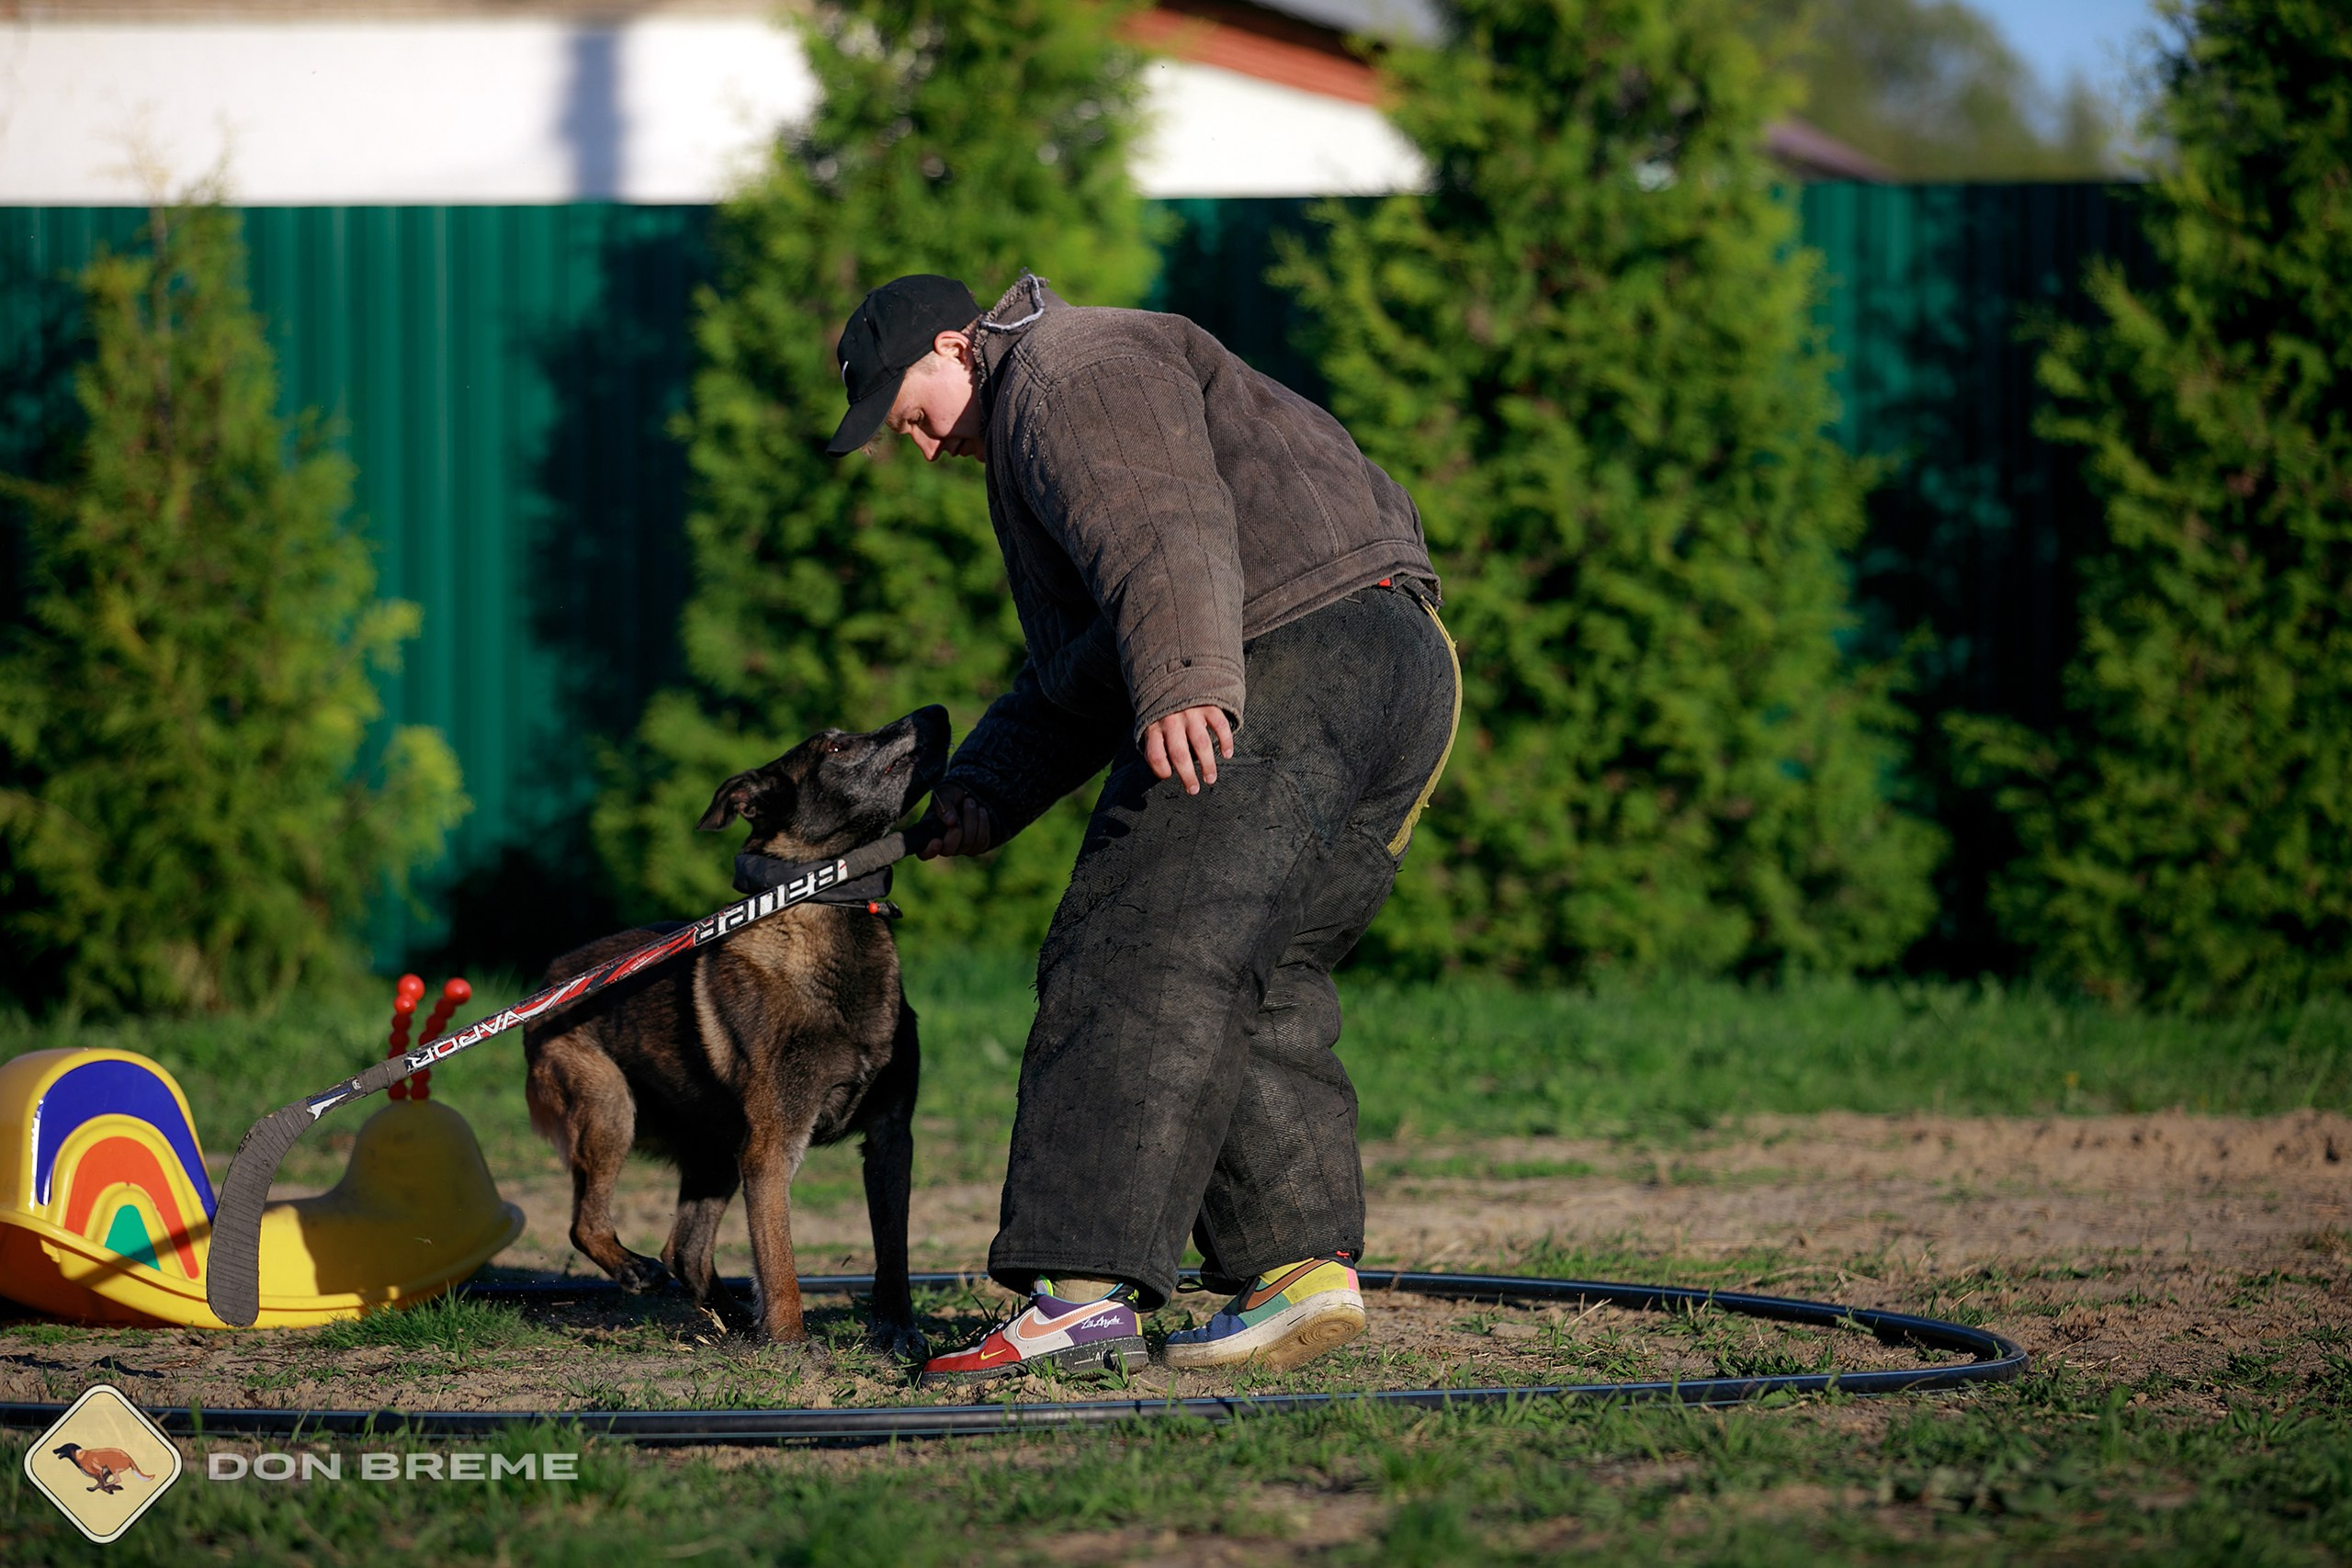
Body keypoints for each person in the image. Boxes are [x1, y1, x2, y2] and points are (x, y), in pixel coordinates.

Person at [826, 271, 1459, 1384]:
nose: (919, 447)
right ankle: (1295, 1272)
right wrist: (987, 788)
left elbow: (1166, 529)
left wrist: (1183, 681)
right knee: (1247, 965)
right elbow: (1085, 658)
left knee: (1132, 947)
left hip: (1289, 653)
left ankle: (1076, 1298)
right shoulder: (1059, 393)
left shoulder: (1072, 370)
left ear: (953, 345)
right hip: (1390, 659)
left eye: (908, 412)